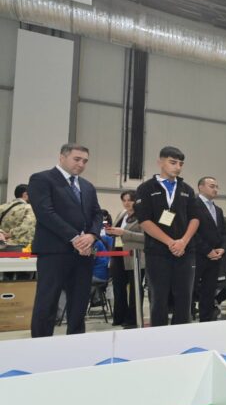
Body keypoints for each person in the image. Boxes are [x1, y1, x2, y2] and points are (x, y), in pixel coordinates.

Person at [28, 143, 103, 337]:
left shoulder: (87, 186)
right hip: (54, 251)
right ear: (62, 157)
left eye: (85, 161)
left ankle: (75, 342)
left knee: (79, 302)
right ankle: (41, 343)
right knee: (47, 302)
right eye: (77, 159)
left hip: (84, 253)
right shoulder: (42, 179)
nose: (81, 164)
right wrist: (75, 238)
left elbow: (97, 214)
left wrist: (92, 235)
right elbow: (45, 213)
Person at [134, 146, 200, 327]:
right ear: (160, 162)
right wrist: (170, 242)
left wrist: (183, 242)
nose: (177, 167)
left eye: (181, 164)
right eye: (173, 162)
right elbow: (144, 221)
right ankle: (159, 337)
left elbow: (195, 218)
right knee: (158, 299)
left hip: (185, 252)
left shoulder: (187, 189)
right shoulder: (146, 188)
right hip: (158, 253)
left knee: (184, 299)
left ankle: (181, 336)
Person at [105, 190, 145, 328]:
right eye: (124, 200)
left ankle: (133, 319)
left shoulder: (143, 215)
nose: (127, 203)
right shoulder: (122, 213)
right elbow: (118, 233)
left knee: (135, 290)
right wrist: (111, 232)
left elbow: (147, 237)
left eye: (130, 200)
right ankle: (119, 317)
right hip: (118, 254)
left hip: (135, 256)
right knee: (118, 287)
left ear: (136, 201)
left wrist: (124, 233)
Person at [193, 176, 226, 322]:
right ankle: (184, 320)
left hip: (215, 256)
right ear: (201, 187)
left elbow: (224, 233)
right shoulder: (193, 205)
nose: (215, 189)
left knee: (209, 291)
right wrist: (207, 250)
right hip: (197, 255)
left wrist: (222, 248)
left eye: (216, 187)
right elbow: (192, 232)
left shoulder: (218, 210)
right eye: (212, 186)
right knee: (189, 290)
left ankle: (206, 320)